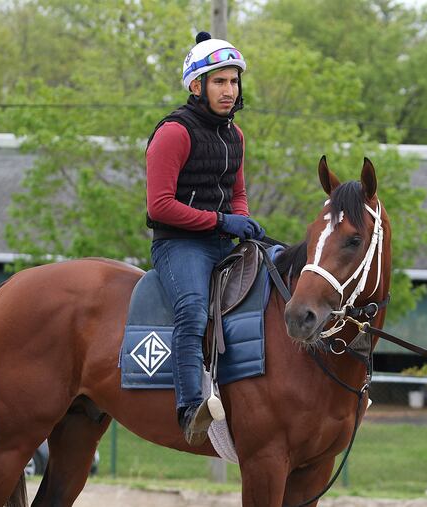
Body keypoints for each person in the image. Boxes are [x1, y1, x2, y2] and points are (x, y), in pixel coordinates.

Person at [145, 31, 264, 446]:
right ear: (197, 87)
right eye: (220, 81)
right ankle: (189, 405)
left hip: (221, 240)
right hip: (178, 245)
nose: (229, 90)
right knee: (194, 309)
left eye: (234, 81)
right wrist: (221, 223)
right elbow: (159, 206)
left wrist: (244, 224)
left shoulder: (237, 136)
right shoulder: (174, 133)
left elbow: (237, 194)